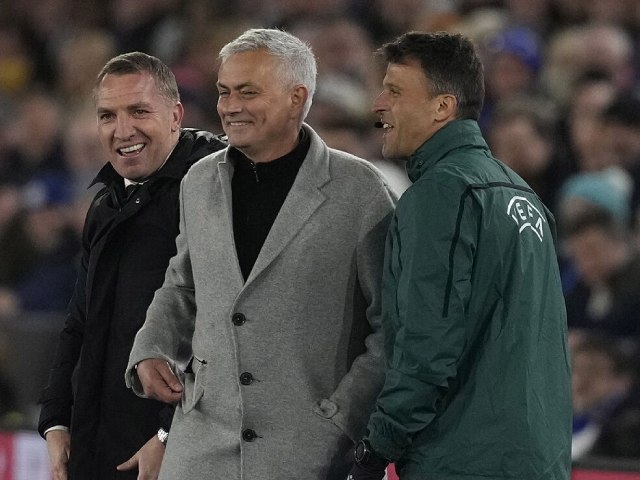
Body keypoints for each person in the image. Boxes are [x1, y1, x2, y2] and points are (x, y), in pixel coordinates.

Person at [124, 28, 396, 480]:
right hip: (200, 448)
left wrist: (341, 417)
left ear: (296, 98)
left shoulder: (361, 191)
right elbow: (183, 285)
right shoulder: (198, 181)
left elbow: (392, 326)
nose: (230, 106)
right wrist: (152, 348)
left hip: (309, 453)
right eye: (224, 91)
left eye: (248, 92)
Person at [346, 31, 572, 480]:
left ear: (442, 107)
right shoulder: (521, 193)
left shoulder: (442, 193)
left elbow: (428, 343)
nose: (378, 104)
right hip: (538, 459)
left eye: (394, 91)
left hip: (466, 459)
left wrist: (375, 449)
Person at [37, 51, 227, 480]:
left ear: (176, 116)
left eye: (139, 111)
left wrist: (168, 435)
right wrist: (57, 418)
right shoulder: (105, 203)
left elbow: (228, 330)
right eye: (108, 115)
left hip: (180, 453)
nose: (122, 130)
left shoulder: (215, 189)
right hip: (98, 445)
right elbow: (80, 321)